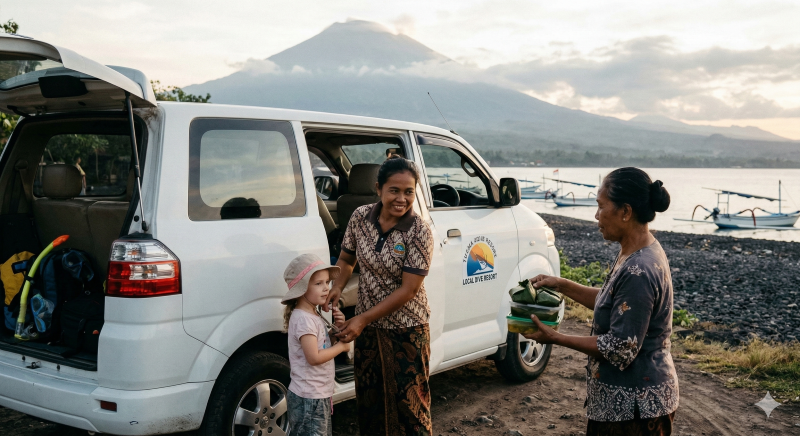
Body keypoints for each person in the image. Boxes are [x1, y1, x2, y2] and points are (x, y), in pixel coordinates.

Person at [525, 167, 679, 436]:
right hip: (625, 404)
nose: (596, 216)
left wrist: (555, 337)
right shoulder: (636, 252)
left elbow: (621, 348)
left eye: (600, 206)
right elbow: (618, 304)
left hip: (637, 410)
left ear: (626, 212)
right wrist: (561, 284)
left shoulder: (639, 270)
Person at [325, 156, 434, 435]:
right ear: (378, 189)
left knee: (411, 409)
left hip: (407, 330)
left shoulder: (419, 231)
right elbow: (347, 260)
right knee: (371, 403)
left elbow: (409, 290)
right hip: (369, 329)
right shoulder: (361, 217)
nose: (401, 198)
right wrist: (336, 285)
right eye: (394, 190)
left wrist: (361, 319)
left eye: (409, 191)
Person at [282, 253, 350, 436]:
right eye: (318, 283)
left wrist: (334, 335)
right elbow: (314, 357)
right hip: (309, 398)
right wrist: (341, 348)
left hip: (316, 395)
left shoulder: (312, 314)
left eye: (327, 282)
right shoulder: (304, 319)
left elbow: (321, 345)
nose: (326, 288)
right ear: (302, 289)